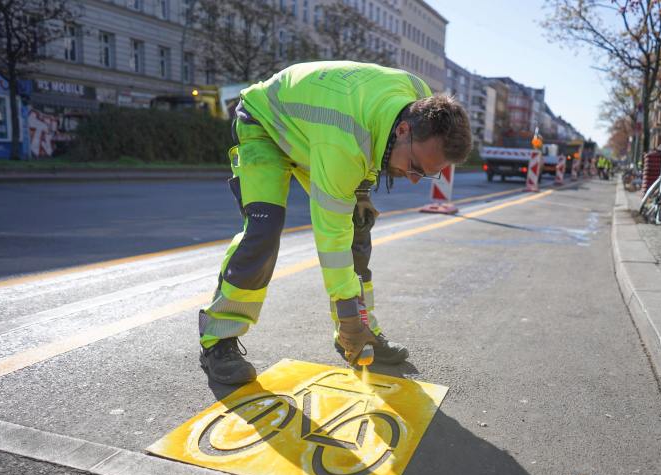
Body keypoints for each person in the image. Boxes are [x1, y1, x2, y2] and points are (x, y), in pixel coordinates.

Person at [197, 60, 472, 385]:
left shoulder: (418, 97)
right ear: (403, 130)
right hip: (266, 125)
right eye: (414, 166)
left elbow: (375, 137)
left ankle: (359, 331)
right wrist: (347, 314)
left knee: (358, 226)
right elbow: (331, 236)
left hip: (317, 131)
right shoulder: (343, 141)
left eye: (426, 174)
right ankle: (218, 340)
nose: (414, 179)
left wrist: (362, 190)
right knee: (263, 230)